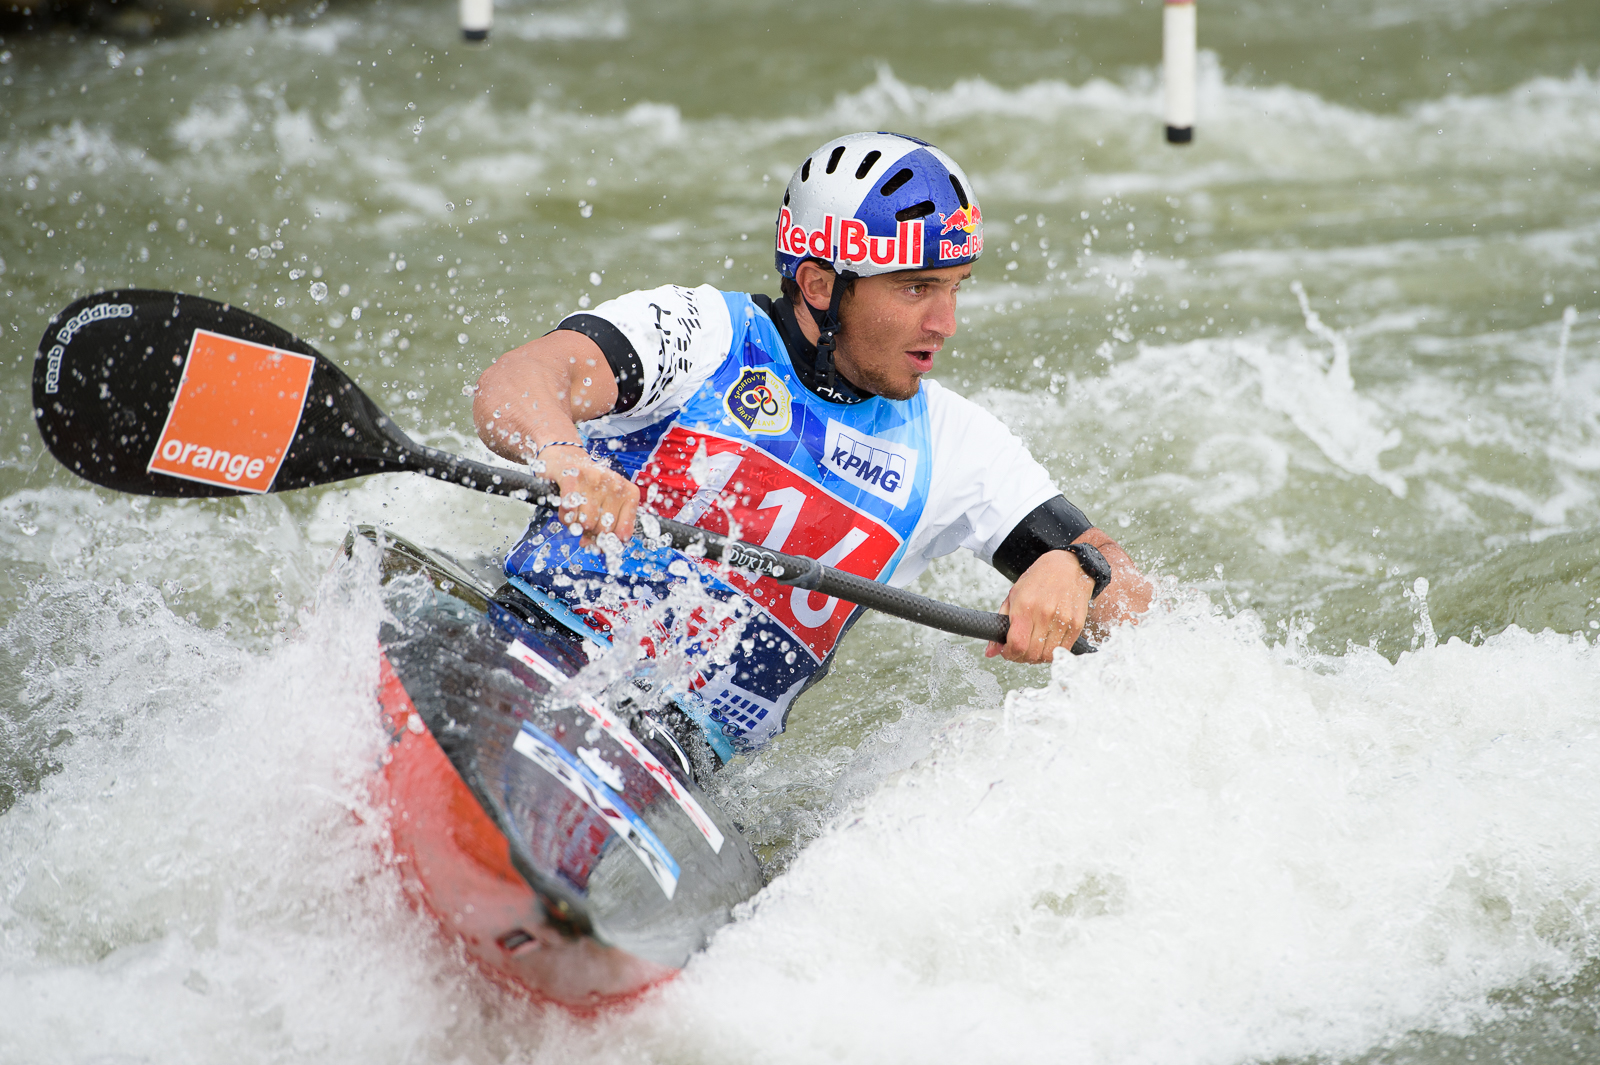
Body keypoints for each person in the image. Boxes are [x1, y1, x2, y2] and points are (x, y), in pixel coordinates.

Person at [473, 131, 1151, 763]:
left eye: (954, 288)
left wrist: (1080, 567)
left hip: (675, 761)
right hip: (523, 646)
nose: (945, 324)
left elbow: (1139, 603)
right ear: (821, 284)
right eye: (917, 287)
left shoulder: (955, 446)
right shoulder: (704, 333)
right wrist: (562, 455)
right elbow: (521, 378)